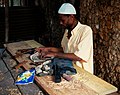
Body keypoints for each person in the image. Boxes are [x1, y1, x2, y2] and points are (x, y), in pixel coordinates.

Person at [36, 3, 93, 74]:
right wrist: (47, 49)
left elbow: (79, 56)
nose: (60, 23)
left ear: (71, 17)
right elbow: (64, 50)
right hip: (68, 69)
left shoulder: (85, 30)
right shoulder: (67, 31)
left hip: (83, 73)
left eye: (63, 20)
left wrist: (55, 54)